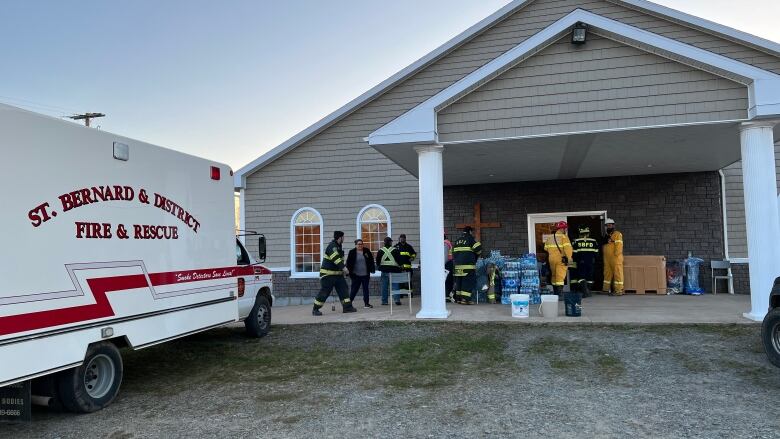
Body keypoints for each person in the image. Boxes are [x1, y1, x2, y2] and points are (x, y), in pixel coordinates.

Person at [312, 231, 357, 315]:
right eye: (343, 237)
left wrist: (343, 272)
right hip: (328, 275)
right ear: (340, 237)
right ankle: (315, 309)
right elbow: (336, 259)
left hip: (337, 275)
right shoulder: (332, 246)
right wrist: (345, 269)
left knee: (344, 290)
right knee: (324, 292)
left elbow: (340, 261)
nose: (344, 238)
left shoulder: (339, 247)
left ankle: (347, 307)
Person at [452, 226, 482, 305]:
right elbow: (478, 249)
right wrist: (476, 255)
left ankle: (459, 299)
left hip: (458, 266)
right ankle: (465, 300)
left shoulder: (457, 241)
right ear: (470, 232)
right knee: (467, 283)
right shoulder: (470, 239)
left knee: (459, 282)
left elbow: (453, 253)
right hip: (468, 266)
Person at [544, 221, 573, 297]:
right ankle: (560, 294)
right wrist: (569, 259)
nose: (566, 230)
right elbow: (568, 249)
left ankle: (555, 292)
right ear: (563, 229)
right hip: (561, 259)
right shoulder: (564, 237)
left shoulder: (550, 237)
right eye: (565, 228)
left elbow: (546, 248)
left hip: (551, 259)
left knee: (554, 275)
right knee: (560, 275)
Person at [347, 239, 376, 308]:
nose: (360, 245)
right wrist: (348, 272)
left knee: (366, 289)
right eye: (359, 244)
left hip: (365, 274)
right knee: (354, 290)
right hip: (355, 275)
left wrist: (372, 269)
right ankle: (348, 304)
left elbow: (371, 260)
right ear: (356, 245)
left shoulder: (366, 251)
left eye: (361, 244)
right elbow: (348, 263)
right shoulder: (352, 252)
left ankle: (366, 303)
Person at [572, 226, 599, 298]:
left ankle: (585, 292)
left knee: (581, 277)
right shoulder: (593, 241)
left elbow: (574, 254)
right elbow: (596, 253)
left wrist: (575, 262)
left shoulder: (576, 241)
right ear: (588, 233)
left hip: (581, 262)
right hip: (591, 262)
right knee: (590, 277)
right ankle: (589, 291)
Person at [376, 236, 403, 306]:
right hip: (394, 271)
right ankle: (397, 300)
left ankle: (384, 301)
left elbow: (377, 262)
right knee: (395, 286)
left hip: (384, 271)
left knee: (384, 286)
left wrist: (380, 266)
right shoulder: (395, 250)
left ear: (384, 243)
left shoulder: (380, 250)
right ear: (390, 242)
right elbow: (400, 261)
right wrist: (401, 267)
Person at [602, 218, 625, 296]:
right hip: (607, 259)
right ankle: (605, 289)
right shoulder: (606, 236)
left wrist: (616, 254)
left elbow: (619, 245)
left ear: (613, 225)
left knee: (617, 274)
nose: (608, 227)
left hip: (615, 258)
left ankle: (618, 291)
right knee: (607, 274)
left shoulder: (617, 234)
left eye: (610, 225)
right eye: (607, 225)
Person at [444, 233, 454, 302]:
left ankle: (447, 296)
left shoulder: (445, 243)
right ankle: (448, 296)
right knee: (449, 280)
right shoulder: (447, 242)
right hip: (449, 264)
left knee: (446, 280)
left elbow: (445, 256)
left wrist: (441, 265)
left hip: (446, 264)